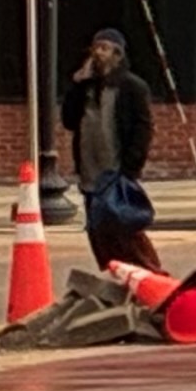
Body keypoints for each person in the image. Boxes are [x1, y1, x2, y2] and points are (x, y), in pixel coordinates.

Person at [61, 27, 162, 275]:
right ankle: (114, 271)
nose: (98, 54)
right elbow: (69, 120)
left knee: (124, 226)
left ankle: (149, 271)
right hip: (90, 170)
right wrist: (76, 85)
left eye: (105, 49)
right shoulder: (86, 88)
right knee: (97, 229)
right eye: (96, 48)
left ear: (117, 54)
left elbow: (143, 128)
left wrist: (130, 167)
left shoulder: (132, 87)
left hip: (117, 171)